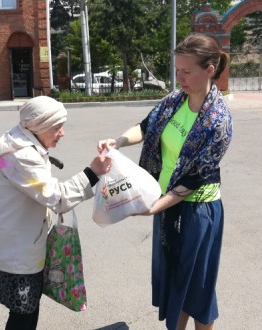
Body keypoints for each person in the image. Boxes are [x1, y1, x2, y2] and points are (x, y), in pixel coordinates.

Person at [98, 33, 233, 330]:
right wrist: (118, 141)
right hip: (167, 203)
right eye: (177, 70)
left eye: (186, 71)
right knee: (174, 280)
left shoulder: (217, 120)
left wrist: (155, 207)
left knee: (197, 289)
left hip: (197, 210)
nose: (179, 77)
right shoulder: (175, 100)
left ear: (209, 70)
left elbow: (196, 178)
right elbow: (147, 126)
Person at [0, 96, 111, 330]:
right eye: (57, 127)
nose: (62, 133)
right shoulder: (21, 155)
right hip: (17, 256)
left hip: (15, 247)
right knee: (23, 316)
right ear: (40, 126)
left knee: (25, 312)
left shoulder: (20, 141)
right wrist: (91, 172)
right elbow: (57, 198)